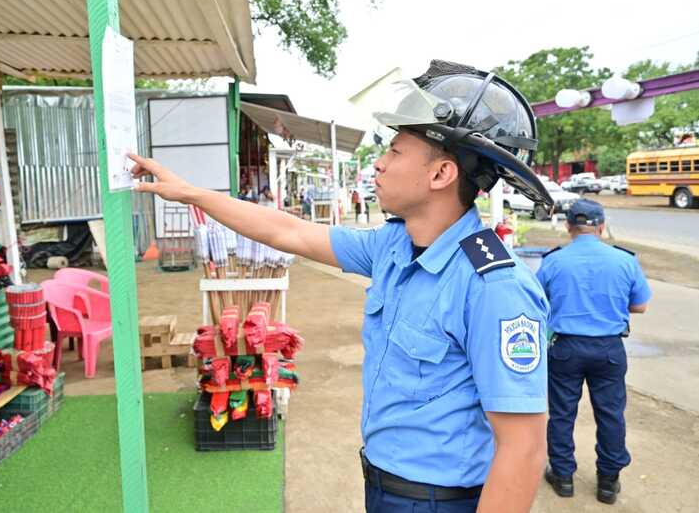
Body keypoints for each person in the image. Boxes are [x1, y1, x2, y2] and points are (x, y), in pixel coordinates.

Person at [128, 59, 554, 513]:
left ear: (440, 175)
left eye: (395, 152)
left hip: (439, 501)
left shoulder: (495, 286)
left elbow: (523, 449)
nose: (379, 165)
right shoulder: (394, 245)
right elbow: (288, 232)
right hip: (383, 484)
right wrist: (191, 193)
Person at [538, 198, 651, 505]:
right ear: (601, 227)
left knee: (562, 414)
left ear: (568, 226)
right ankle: (608, 483)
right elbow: (640, 305)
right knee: (611, 414)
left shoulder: (553, 261)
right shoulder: (624, 260)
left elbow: (538, 302)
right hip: (609, 349)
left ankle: (562, 477)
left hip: (565, 348)